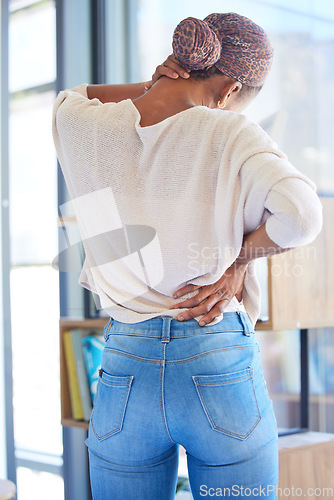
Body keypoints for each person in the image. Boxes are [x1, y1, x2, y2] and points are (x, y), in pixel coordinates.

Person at [52, 12, 323, 500]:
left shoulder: (81, 125)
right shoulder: (231, 134)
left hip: (125, 366)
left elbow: (75, 94)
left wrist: (156, 82)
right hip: (216, 355)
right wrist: (240, 260)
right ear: (230, 91)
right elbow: (302, 217)